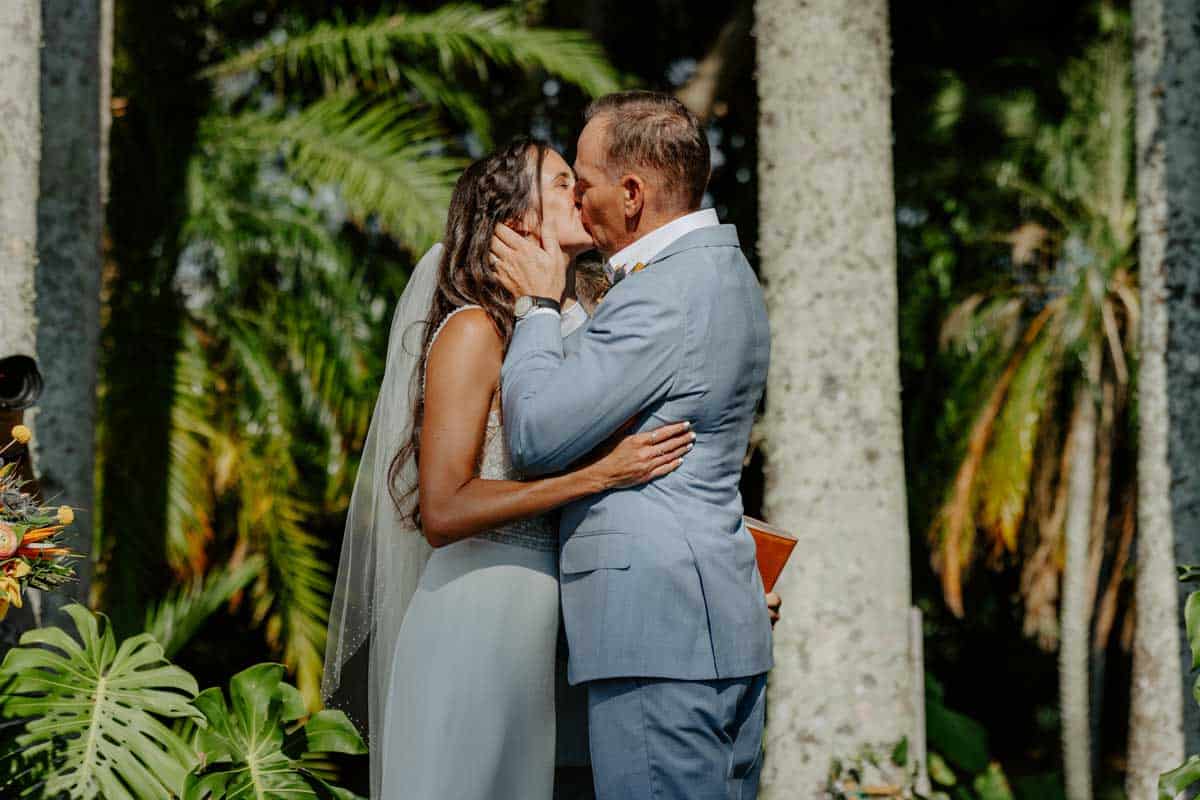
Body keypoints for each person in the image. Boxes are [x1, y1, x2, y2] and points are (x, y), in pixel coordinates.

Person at [322, 137, 696, 800]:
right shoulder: (473, 331)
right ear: (516, 221)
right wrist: (598, 475)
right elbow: (442, 510)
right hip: (473, 615)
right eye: (558, 183)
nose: (579, 191)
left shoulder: (573, 329)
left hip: (540, 629)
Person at [491, 90, 774, 800]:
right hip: (709, 625)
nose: (580, 205)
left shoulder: (664, 294)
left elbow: (533, 436)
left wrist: (535, 306)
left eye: (583, 186)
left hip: (657, 632)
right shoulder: (726, 275)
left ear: (632, 192)